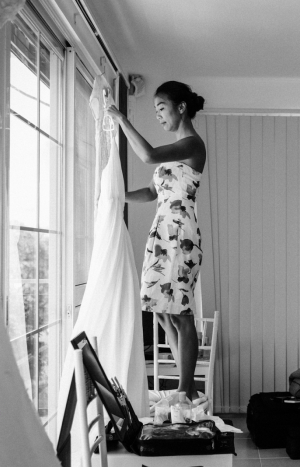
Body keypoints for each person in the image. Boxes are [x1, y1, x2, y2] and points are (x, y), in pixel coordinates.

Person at [106, 81, 206, 401]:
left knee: (180, 311)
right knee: (160, 309)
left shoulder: (192, 145)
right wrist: (115, 196)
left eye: (161, 109)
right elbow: (151, 193)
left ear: (181, 108)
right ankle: (187, 388)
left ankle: (182, 389)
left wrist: (123, 120)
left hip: (180, 234)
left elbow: (148, 154)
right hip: (161, 233)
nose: (159, 116)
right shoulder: (173, 157)